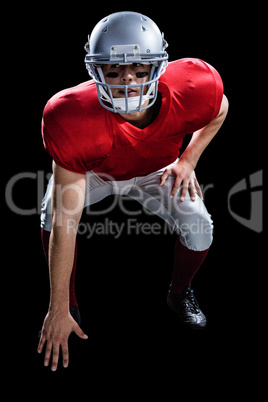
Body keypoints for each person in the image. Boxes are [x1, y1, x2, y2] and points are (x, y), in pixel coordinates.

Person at [37, 11, 229, 371]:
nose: (127, 81)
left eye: (140, 70)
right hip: (95, 172)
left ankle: (178, 294)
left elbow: (220, 109)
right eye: (114, 71)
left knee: (201, 227)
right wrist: (57, 308)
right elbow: (66, 222)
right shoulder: (69, 116)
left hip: (155, 171)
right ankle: (70, 302)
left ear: (159, 67)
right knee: (52, 213)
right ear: (95, 71)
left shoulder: (193, 87)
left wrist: (188, 161)